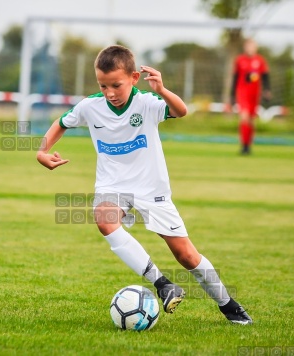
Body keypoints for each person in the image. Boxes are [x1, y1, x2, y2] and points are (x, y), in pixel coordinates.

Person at [37, 45, 253, 324]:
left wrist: (162, 90)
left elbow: (181, 111)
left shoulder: (147, 103)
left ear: (134, 78)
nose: (110, 93)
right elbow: (62, 122)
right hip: (112, 184)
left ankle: (228, 305)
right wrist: (42, 150)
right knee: (104, 219)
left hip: (152, 189)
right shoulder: (90, 106)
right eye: (103, 86)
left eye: (116, 85)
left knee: (186, 255)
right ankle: (163, 284)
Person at [231, 38, 271, 155]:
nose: (250, 48)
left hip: (255, 93)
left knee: (251, 120)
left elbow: (265, 77)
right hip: (242, 92)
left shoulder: (260, 60)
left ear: (255, 47)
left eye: (252, 46)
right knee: (244, 117)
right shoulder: (240, 60)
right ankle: (243, 145)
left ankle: (248, 146)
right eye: (248, 46)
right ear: (245, 47)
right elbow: (235, 78)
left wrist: (267, 90)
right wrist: (232, 95)